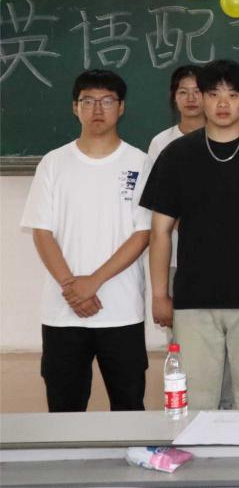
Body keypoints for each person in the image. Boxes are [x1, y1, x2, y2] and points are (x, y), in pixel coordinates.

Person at [141, 60, 239, 410]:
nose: (223, 103)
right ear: (201, 98)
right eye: (213, 94)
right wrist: (159, 294)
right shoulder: (177, 155)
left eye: (232, 94)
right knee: (196, 400)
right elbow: (160, 230)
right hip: (194, 298)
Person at [21, 70, 151, 412]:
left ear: (121, 107)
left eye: (107, 101)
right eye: (88, 101)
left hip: (121, 310)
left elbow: (143, 233)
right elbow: (41, 231)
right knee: (64, 410)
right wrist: (72, 286)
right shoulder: (53, 163)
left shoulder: (140, 163)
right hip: (63, 312)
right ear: (74, 107)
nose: (97, 109)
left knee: (128, 409)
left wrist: (92, 282)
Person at [145, 65, 203, 275]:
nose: (191, 98)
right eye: (183, 92)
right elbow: (154, 198)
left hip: (220, 247)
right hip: (173, 253)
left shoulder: (223, 138)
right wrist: (186, 226)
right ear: (174, 97)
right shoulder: (161, 142)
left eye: (197, 91)